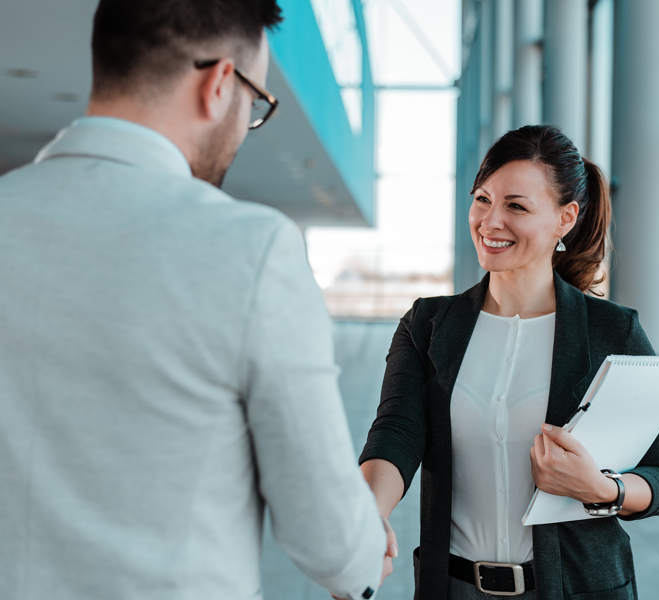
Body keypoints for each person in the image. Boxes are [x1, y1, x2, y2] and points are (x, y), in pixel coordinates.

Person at [0, 2, 390, 599]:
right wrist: (364, 550)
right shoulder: (251, 251)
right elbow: (331, 542)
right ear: (218, 85)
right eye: (255, 100)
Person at [359, 125, 659, 600]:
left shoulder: (612, 332)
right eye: (482, 199)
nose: (490, 221)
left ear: (565, 218)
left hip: (577, 589)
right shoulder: (428, 324)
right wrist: (367, 519)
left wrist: (601, 488)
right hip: (452, 588)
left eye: (516, 206)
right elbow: (396, 435)